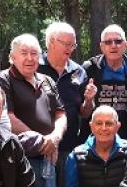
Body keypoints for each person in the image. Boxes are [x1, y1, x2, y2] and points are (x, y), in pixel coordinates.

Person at [0, 33, 67, 187]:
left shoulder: (47, 80)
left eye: (34, 53)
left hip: (48, 158)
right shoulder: (3, 80)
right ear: (13, 56)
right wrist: (42, 141)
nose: (30, 58)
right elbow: (8, 118)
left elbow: (61, 114)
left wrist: (55, 138)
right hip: (21, 160)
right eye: (24, 53)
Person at [39, 22, 97, 160]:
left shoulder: (79, 71)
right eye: (66, 44)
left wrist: (89, 100)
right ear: (51, 42)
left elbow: (85, 113)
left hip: (68, 147)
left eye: (73, 45)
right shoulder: (35, 66)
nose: (70, 49)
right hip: (39, 145)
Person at [81, 24, 127, 140]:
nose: (113, 46)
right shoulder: (89, 69)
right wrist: (89, 99)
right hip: (93, 140)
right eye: (108, 42)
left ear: (125, 45)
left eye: (118, 41)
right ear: (101, 46)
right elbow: (83, 113)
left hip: (125, 140)